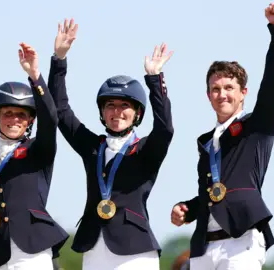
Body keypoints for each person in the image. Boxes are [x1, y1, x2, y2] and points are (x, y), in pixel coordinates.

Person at [170, 3, 274, 269]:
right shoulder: (206, 142)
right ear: (207, 95)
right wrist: (188, 208)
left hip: (241, 241)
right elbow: (213, 194)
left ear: (243, 93)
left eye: (229, 87)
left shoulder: (257, 127)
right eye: (215, 88)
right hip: (203, 245)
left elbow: (272, 85)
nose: (222, 94)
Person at [48, 18, 174, 269]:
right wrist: (59, 60)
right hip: (94, 245)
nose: (117, 112)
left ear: (137, 113)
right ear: (102, 112)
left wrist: (154, 79)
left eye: (124, 106)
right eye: (110, 106)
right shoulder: (92, 147)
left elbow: (165, 128)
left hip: (135, 249)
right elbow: (60, 111)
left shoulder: (146, 150)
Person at [0, 42, 68, 269]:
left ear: (30, 120)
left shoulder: (38, 150)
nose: (14, 119)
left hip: (31, 253)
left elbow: (51, 119)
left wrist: (35, 76)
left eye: (21, 114)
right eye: (8, 113)